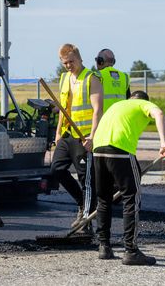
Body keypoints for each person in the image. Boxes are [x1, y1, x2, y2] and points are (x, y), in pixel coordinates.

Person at [92, 91, 165, 265]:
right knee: (131, 198)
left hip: (98, 151)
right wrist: (163, 143)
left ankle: (104, 247)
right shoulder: (142, 104)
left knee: (103, 200)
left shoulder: (117, 105)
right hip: (120, 151)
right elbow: (159, 114)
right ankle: (131, 251)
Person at [50, 43, 103, 230]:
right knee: (56, 170)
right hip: (66, 134)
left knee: (86, 178)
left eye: (71, 61)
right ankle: (82, 203)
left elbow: (98, 110)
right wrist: (57, 133)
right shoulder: (64, 78)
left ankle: (86, 219)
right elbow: (63, 109)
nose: (69, 65)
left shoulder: (91, 78)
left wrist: (93, 136)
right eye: (65, 63)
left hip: (84, 136)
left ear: (80, 58)